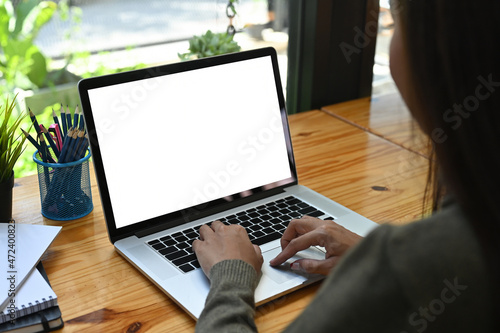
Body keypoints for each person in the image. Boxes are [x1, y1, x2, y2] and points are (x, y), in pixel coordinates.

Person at [192, 0, 499, 331]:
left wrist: (231, 275)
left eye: (396, 23)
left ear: (442, 53)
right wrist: (366, 262)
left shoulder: (425, 263)